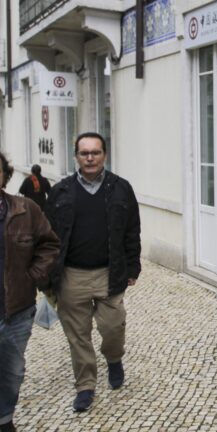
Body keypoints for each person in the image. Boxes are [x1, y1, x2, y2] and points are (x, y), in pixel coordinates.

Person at [45, 132, 141, 412]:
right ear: (76, 156)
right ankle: (85, 385)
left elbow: (132, 231)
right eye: (84, 153)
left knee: (113, 327)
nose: (90, 158)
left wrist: (133, 266)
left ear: (104, 155)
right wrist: (48, 276)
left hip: (110, 272)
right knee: (78, 335)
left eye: (95, 152)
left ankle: (113, 358)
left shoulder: (121, 188)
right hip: (71, 276)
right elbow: (49, 237)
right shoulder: (60, 191)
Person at [0, 152, 60, 432]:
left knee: (11, 372)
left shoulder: (26, 210)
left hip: (16, 311)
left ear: (5, 175)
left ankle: (4, 419)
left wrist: (32, 277)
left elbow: (48, 245)